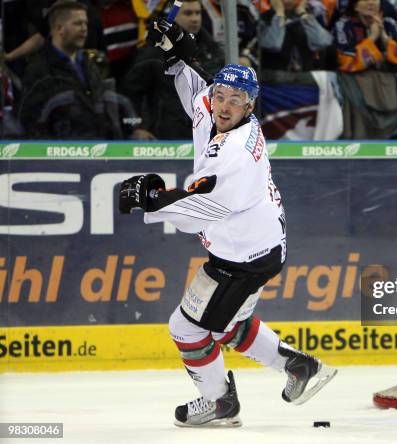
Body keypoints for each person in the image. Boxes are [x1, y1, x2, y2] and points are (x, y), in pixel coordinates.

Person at [117, 15, 337, 427]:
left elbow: (201, 208)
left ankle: (220, 402)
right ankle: (300, 367)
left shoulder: (237, 154)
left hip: (243, 258)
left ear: (251, 106)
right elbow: (197, 96)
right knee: (228, 324)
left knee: (186, 329)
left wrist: (152, 202)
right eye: (222, 95)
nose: (223, 104)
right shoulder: (217, 109)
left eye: (236, 99)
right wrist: (177, 60)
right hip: (256, 245)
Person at [18, 0, 152, 139]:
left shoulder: (90, 65)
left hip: (98, 151)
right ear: (59, 28)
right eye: (78, 23)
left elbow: (106, 108)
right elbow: (31, 123)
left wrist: (133, 129)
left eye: (86, 23)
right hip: (63, 154)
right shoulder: (38, 69)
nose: (84, 28)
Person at [121, 0, 224, 139]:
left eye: (198, 13)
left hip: (205, 132)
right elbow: (131, 94)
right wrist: (138, 127)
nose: (194, 19)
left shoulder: (212, 49)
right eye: (188, 13)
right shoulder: (153, 53)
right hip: (164, 136)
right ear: (173, 16)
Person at [259, 0, 335, 71]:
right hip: (274, 77)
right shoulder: (265, 18)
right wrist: (279, 14)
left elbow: (324, 43)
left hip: (305, 77)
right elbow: (272, 45)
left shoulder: (309, 17)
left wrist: (302, 13)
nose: (288, 1)